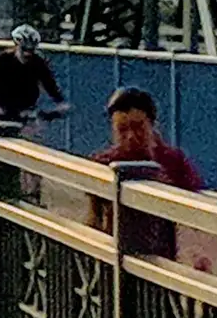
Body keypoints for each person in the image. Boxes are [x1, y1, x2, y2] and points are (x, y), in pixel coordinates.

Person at [87, 87, 206, 260]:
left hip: (162, 260)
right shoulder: (104, 164)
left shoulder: (172, 161)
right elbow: (94, 218)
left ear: (153, 125)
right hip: (117, 258)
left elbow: (196, 208)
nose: (130, 137)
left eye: (138, 127)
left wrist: (196, 253)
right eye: (122, 130)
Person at [0, 24, 65, 134]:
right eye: (24, 49)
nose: (27, 54)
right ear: (17, 46)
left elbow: (49, 84)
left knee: (34, 132)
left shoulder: (38, 62)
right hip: (2, 107)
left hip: (25, 108)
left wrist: (59, 102)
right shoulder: (2, 60)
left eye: (31, 50)